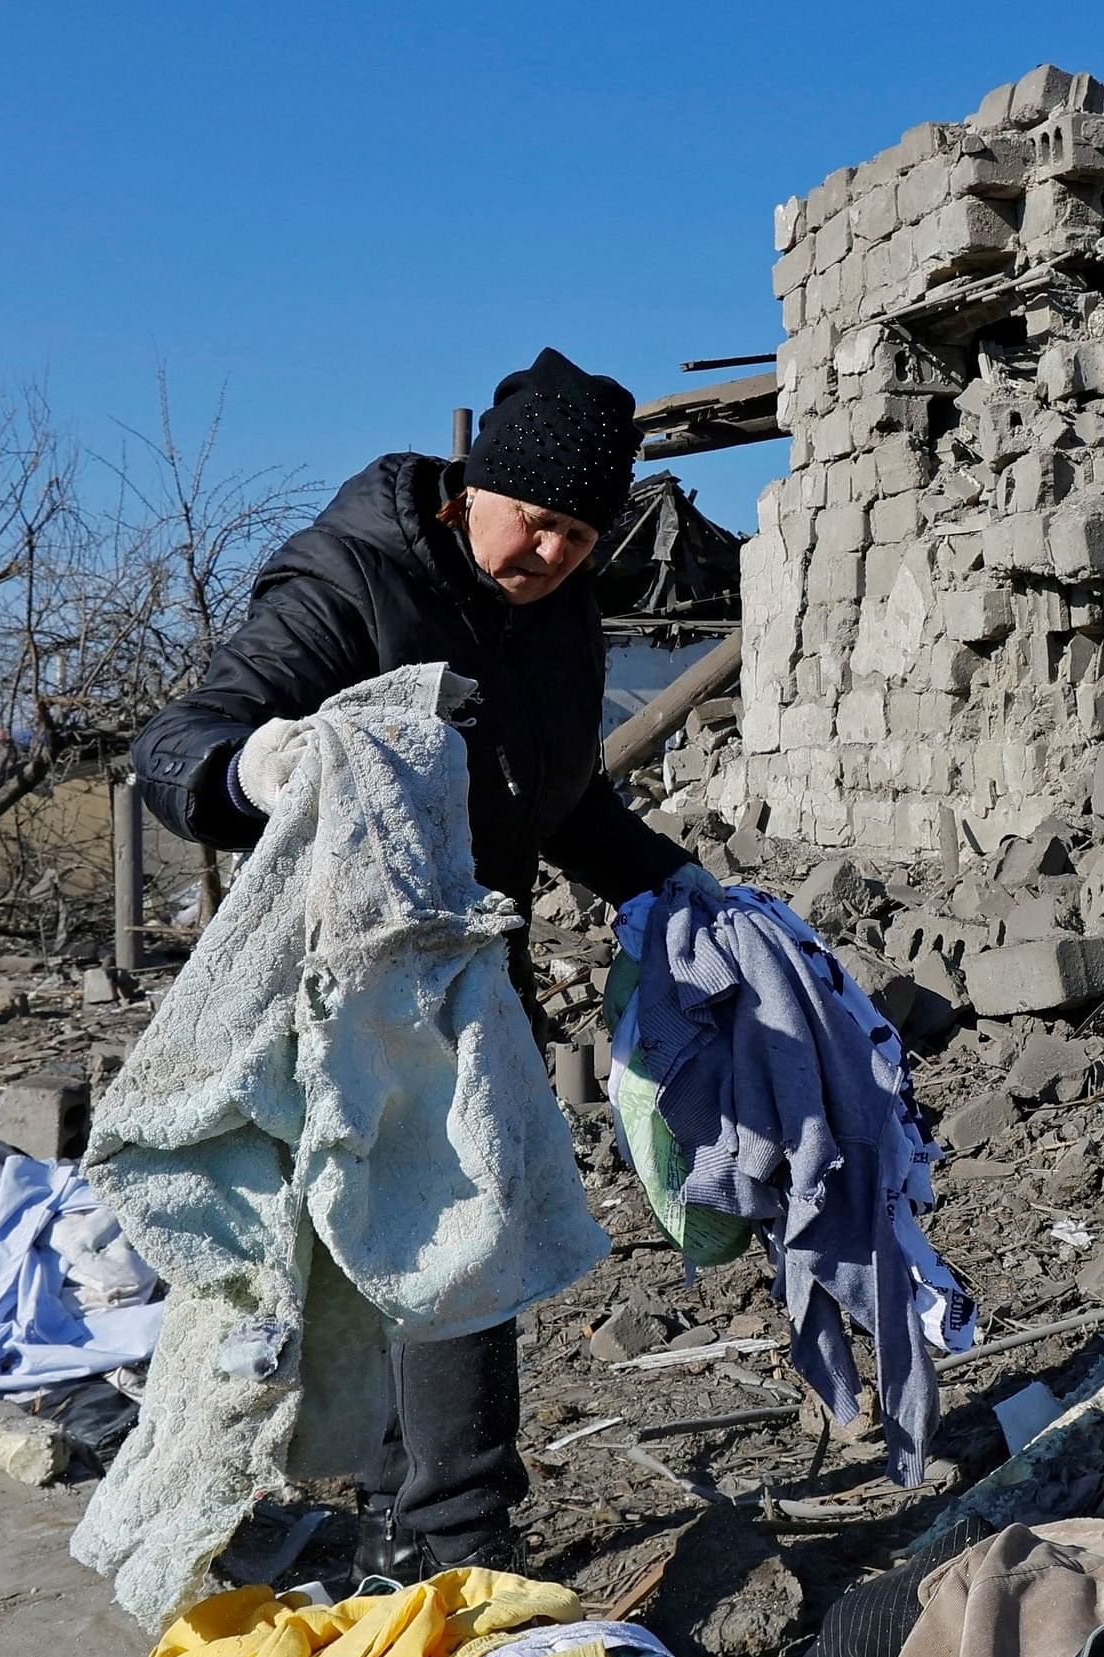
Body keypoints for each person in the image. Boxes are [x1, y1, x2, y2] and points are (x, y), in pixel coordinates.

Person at [131, 348, 705, 1578]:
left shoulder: (562, 615)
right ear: (470, 491)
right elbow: (181, 741)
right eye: (537, 521)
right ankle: (448, 1548)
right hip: (337, 983)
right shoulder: (351, 578)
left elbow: (556, 791)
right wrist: (257, 769)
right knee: (440, 1242)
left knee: (430, 1248)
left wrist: (671, 883)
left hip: (466, 970)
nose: (553, 554)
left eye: (581, 536)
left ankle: (415, 1527)